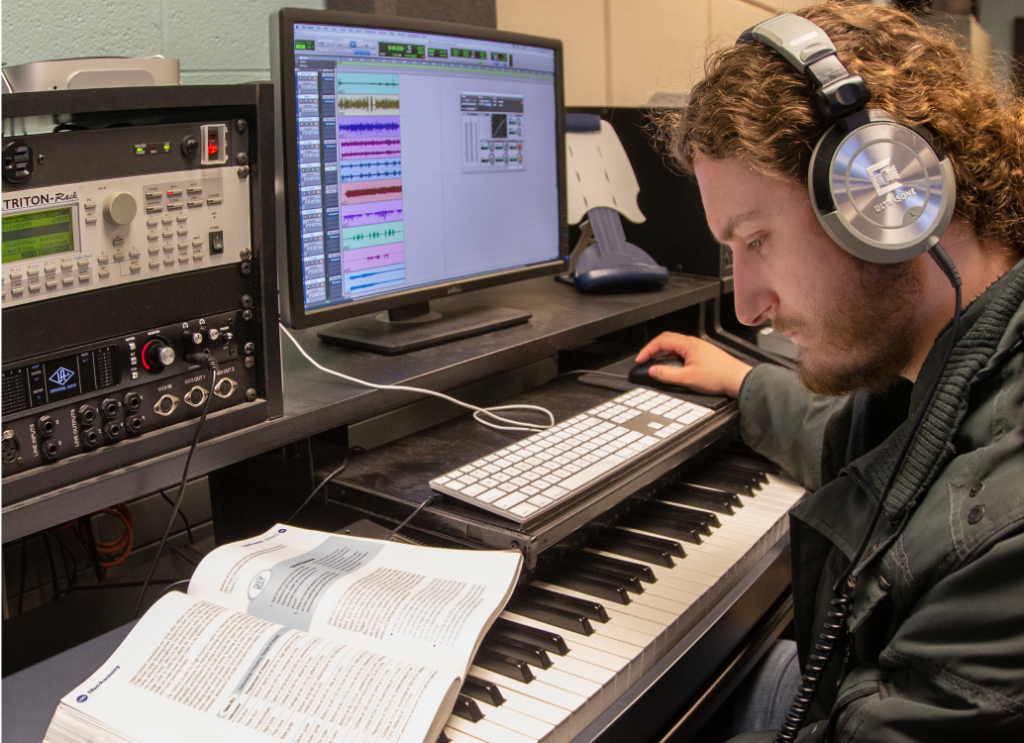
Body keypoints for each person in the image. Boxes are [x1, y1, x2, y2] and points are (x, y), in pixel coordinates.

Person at [636, 2, 1024, 741]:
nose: (747, 308)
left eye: (756, 240)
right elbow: (878, 455)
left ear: (888, 202)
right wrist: (746, 384)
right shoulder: (950, 352)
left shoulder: (1007, 536)